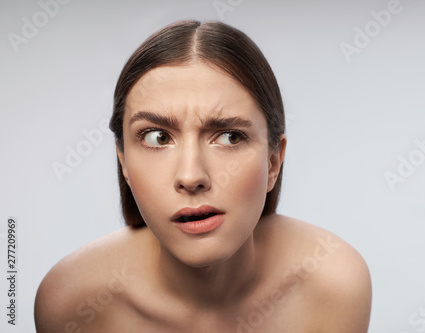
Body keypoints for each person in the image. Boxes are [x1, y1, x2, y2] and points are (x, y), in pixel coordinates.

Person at [34, 20, 371, 332]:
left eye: (229, 137)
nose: (191, 176)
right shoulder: (71, 303)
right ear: (122, 159)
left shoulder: (333, 284)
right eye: (157, 137)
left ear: (273, 162)